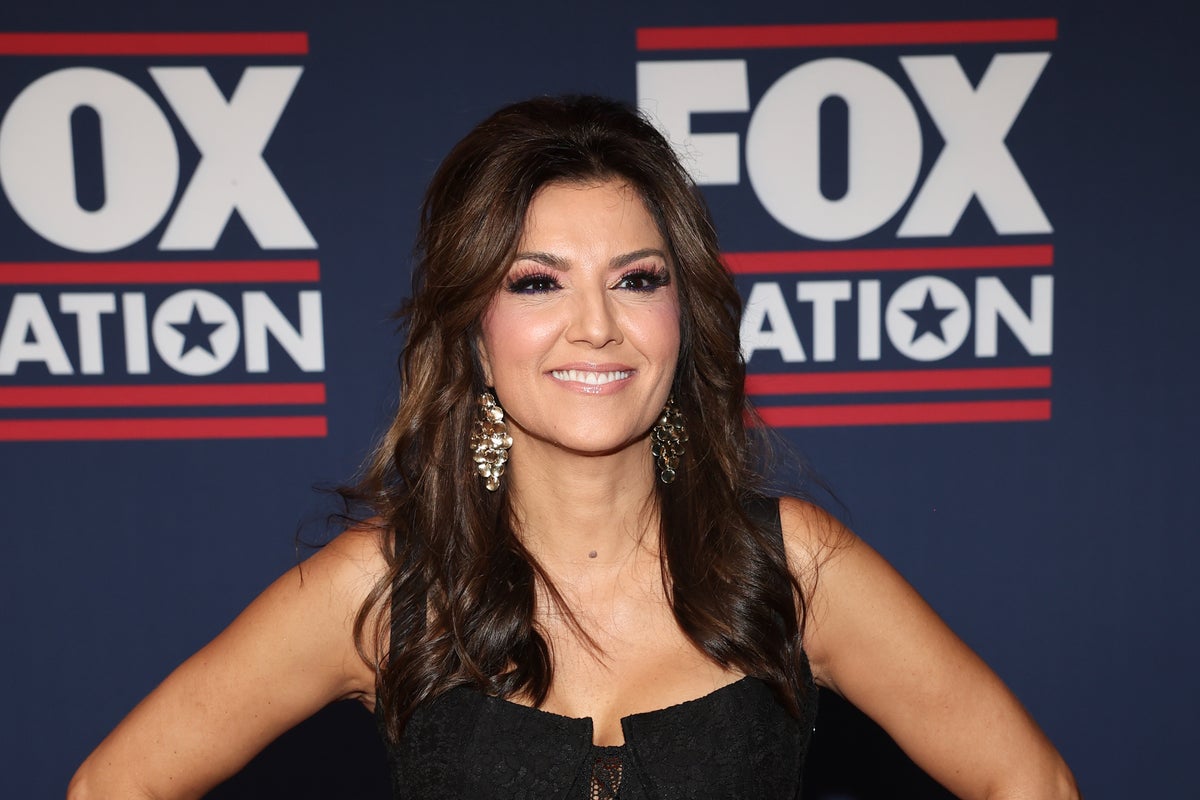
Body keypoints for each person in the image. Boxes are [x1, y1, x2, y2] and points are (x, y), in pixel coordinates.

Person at [69, 95, 1079, 799]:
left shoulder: (791, 565)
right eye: (536, 282)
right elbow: (119, 783)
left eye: (637, 279)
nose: (595, 327)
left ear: (683, 315)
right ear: (475, 331)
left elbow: (1028, 779)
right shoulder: (384, 585)